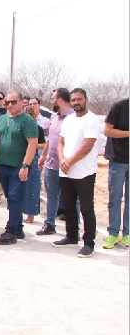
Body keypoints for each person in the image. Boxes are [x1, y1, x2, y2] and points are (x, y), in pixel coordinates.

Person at [53, 88, 101, 258]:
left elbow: (87, 146)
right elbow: (61, 142)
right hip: (66, 172)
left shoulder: (92, 120)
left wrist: (70, 162)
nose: (76, 103)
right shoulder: (69, 120)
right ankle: (72, 236)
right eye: (73, 100)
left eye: (79, 99)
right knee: (68, 206)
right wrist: (62, 160)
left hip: (84, 172)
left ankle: (89, 243)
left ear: (86, 100)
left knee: (86, 209)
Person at [0, 90, 38, 245]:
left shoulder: (27, 120)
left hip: (18, 166)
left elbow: (32, 144)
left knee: (15, 197)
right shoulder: (2, 119)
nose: (10, 105)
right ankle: (18, 228)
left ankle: (10, 231)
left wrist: (25, 165)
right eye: (8, 102)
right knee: (11, 198)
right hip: (3, 164)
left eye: (14, 102)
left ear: (21, 102)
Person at [36, 88, 75, 236]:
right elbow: (50, 140)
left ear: (59, 100)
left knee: (72, 198)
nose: (51, 101)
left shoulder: (74, 118)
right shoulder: (54, 118)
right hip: (51, 164)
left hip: (67, 166)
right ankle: (49, 224)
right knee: (51, 196)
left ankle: (73, 229)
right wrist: (43, 156)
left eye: (53, 98)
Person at [103, 97, 129, 248]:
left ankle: (127, 234)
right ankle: (113, 233)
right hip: (118, 160)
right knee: (115, 199)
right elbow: (107, 130)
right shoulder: (119, 106)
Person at [22, 104, 46, 224]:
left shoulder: (38, 128)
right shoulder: (19, 127)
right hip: (20, 157)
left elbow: (44, 145)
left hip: (34, 159)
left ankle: (31, 214)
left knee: (32, 187)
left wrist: (33, 145)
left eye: (30, 115)